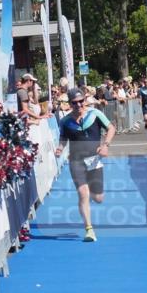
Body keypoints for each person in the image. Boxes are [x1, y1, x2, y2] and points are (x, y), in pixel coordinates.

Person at [54, 87, 116, 243]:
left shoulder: (95, 114)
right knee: (83, 194)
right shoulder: (65, 121)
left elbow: (111, 128)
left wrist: (106, 145)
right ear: (70, 104)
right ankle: (89, 229)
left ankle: (94, 193)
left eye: (81, 101)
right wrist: (60, 149)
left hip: (94, 161)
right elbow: (63, 138)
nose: (79, 105)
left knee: (98, 198)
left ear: (85, 100)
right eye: (75, 103)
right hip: (76, 161)